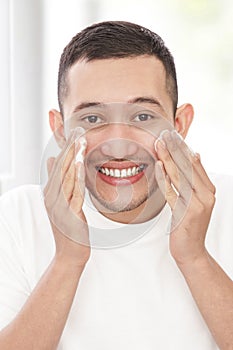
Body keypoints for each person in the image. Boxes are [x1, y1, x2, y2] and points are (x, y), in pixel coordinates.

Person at [0, 20, 232, 350]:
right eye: (92, 118)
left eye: (142, 117)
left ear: (179, 124)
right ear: (61, 130)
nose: (119, 147)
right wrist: (67, 261)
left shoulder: (227, 207)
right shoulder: (17, 217)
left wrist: (195, 259)